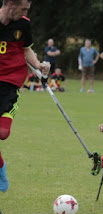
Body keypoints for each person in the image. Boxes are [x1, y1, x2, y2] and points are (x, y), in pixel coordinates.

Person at [0, 0, 50, 192]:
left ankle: (1, 166)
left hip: (11, 82)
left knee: (3, 133)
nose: (25, 13)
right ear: (11, 4)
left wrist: (38, 66)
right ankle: (1, 169)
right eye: (24, 9)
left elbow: (26, 49)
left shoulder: (23, 24)